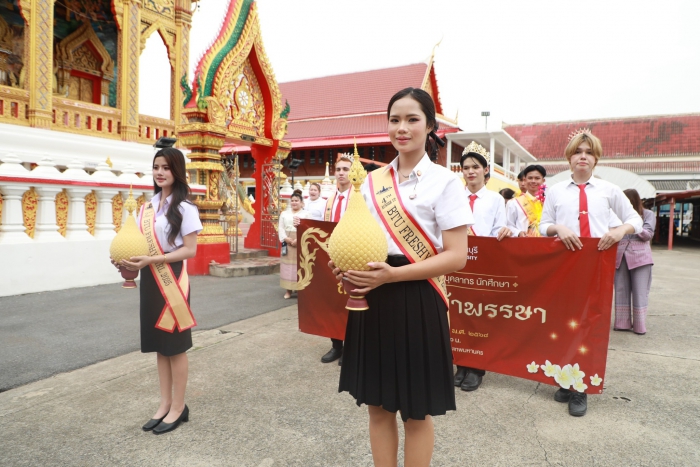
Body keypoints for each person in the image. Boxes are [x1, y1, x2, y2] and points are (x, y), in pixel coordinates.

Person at [332, 87, 472, 466]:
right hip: (372, 299)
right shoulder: (371, 182)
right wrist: (344, 264)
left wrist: (393, 276)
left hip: (417, 299)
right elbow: (358, 237)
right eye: (395, 120)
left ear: (430, 126)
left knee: (416, 412)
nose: (402, 128)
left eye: (412, 119)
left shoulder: (445, 182)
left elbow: (457, 256)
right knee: (377, 406)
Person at [540, 129, 642, 417]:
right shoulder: (556, 191)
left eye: (588, 152)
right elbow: (543, 225)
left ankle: (580, 386)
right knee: (563, 323)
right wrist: (558, 228)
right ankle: (565, 378)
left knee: (588, 325)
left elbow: (635, 219)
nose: (582, 157)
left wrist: (619, 230)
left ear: (596, 158)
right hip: (563, 266)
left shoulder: (609, 190)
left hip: (596, 264)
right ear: (569, 158)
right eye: (577, 152)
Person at [116, 148, 203, 434]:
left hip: (173, 278)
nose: (160, 172)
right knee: (160, 346)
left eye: (166, 167)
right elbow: (139, 244)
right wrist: (125, 260)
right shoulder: (147, 207)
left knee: (175, 346)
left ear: (177, 171)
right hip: (150, 280)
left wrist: (154, 260)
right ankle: (165, 403)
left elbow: (189, 250)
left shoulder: (185, 208)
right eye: (156, 167)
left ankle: (179, 406)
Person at [454, 142, 513, 392]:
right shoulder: (453, 197)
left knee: (478, 315)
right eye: (466, 167)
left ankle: (477, 367)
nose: (470, 171)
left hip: (482, 263)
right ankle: (460, 363)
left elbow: (499, 227)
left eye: (475, 167)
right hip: (455, 261)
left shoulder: (495, 200)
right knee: (458, 313)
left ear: (485, 169)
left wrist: (505, 231)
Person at [319, 153, 354, 364]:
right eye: (338, 169)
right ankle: (336, 345)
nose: (341, 173)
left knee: (350, 300)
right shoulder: (329, 199)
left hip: (353, 255)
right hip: (332, 256)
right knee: (332, 301)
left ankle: (351, 345)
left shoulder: (359, 197)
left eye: (345, 169)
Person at [614, 189, 655, 335]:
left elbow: (648, 235)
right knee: (621, 290)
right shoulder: (616, 215)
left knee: (640, 291)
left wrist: (634, 225)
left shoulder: (648, 214)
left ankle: (639, 326)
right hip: (620, 256)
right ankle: (622, 324)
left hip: (641, 258)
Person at [279, 189, 311, 299]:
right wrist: (286, 239)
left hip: (301, 242)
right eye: (292, 200)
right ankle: (288, 290)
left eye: (296, 200)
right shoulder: (284, 214)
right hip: (287, 242)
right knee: (287, 267)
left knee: (300, 266)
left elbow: (308, 229)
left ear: (302, 203)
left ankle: (301, 290)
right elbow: (281, 228)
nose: (294, 202)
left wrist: (298, 239)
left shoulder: (306, 214)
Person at [507, 165, 547, 237]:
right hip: (522, 242)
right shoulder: (514, 203)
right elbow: (508, 225)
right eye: (530, 178)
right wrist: (518, 233)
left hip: (545, 242)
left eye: (537, 178)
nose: (533, 181)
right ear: (525, 180)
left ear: (543, 181)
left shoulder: (548, 203)